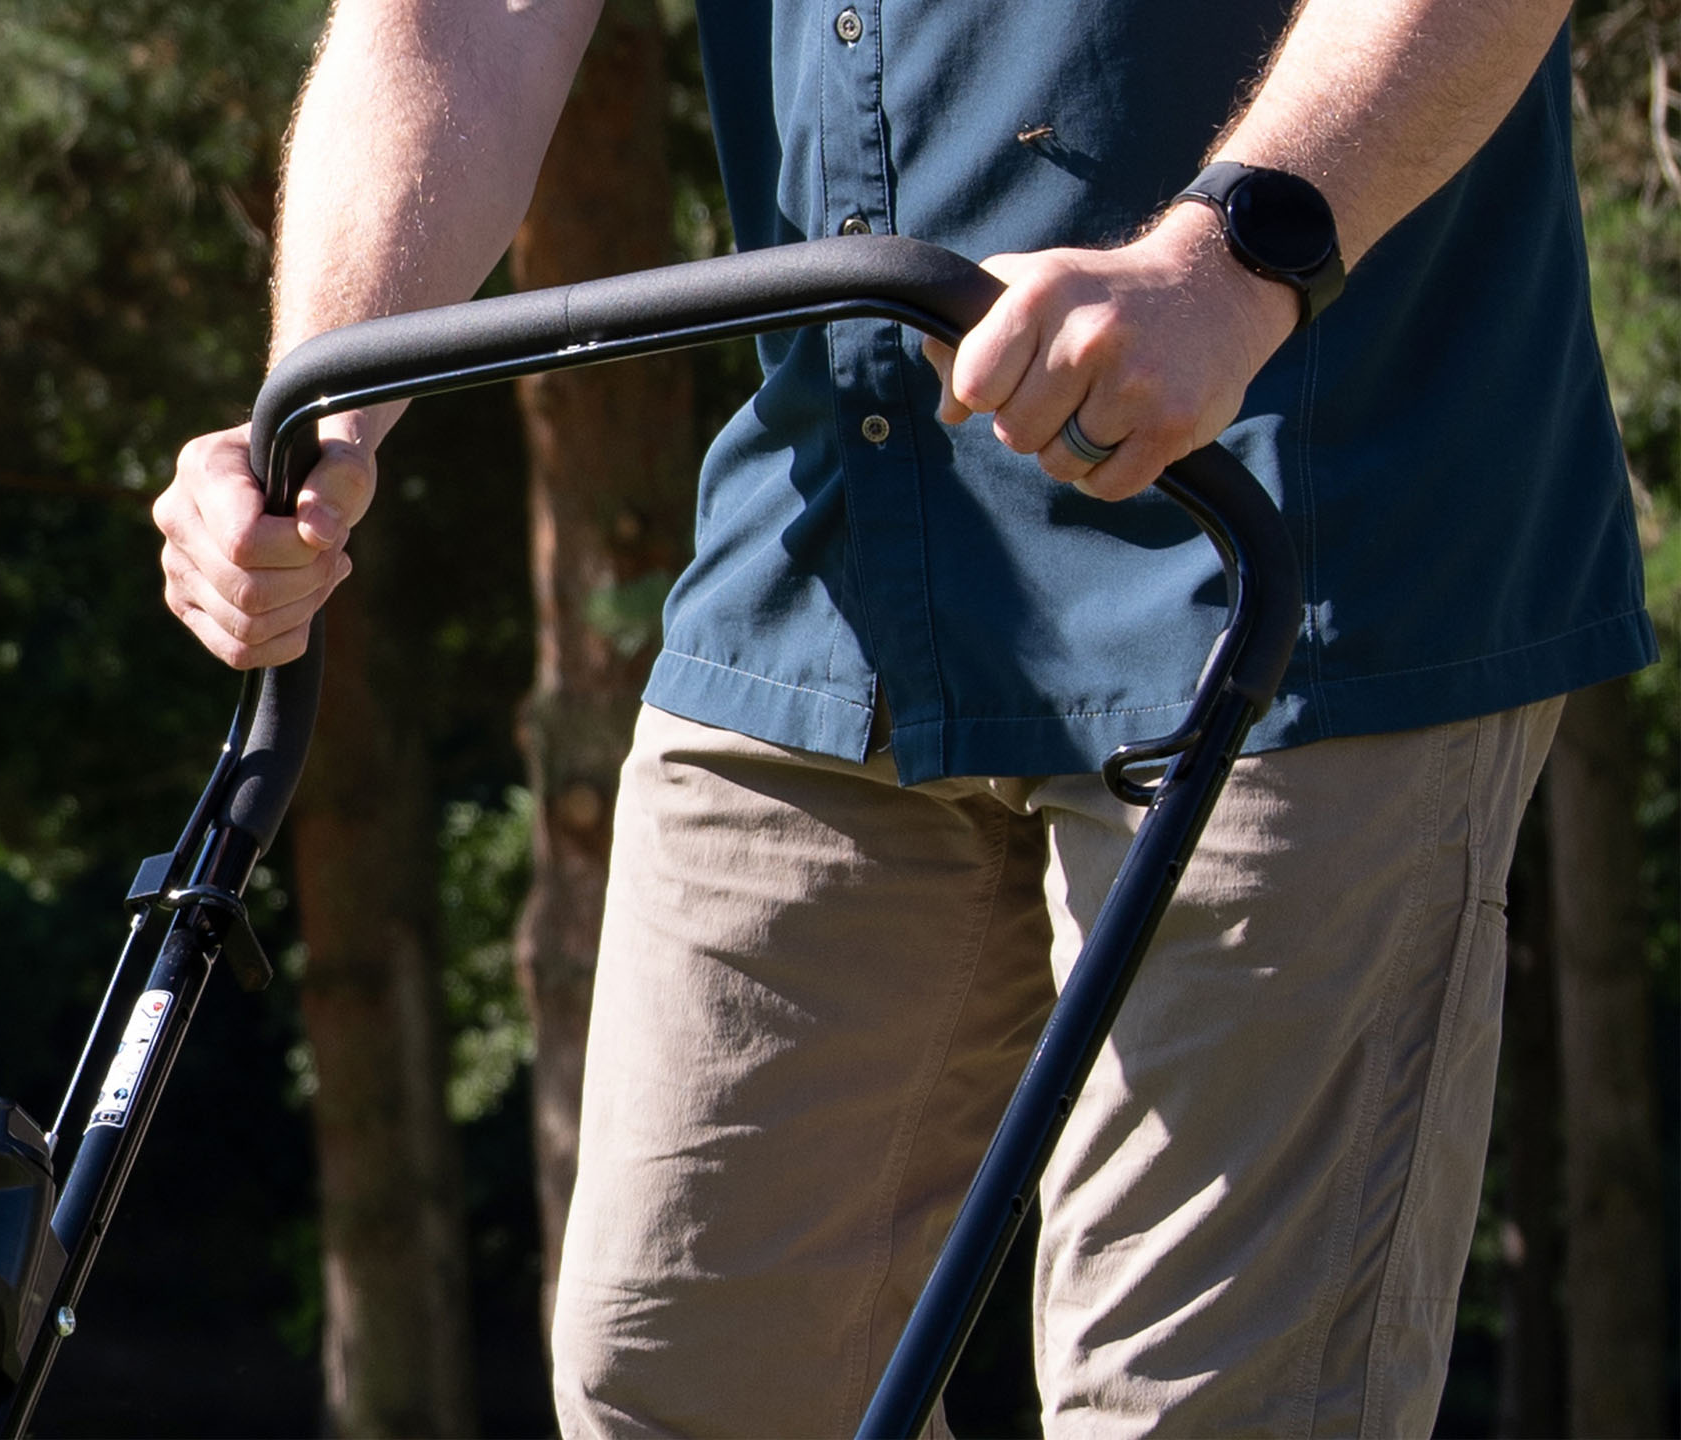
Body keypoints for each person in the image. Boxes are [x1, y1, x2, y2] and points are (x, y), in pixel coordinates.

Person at [152, 0, 1656, 1433]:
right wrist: (322, 408)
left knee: (1197, 1407)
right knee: (692, 1377)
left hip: (1286, 542)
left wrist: (1237, 256)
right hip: (838, 553)